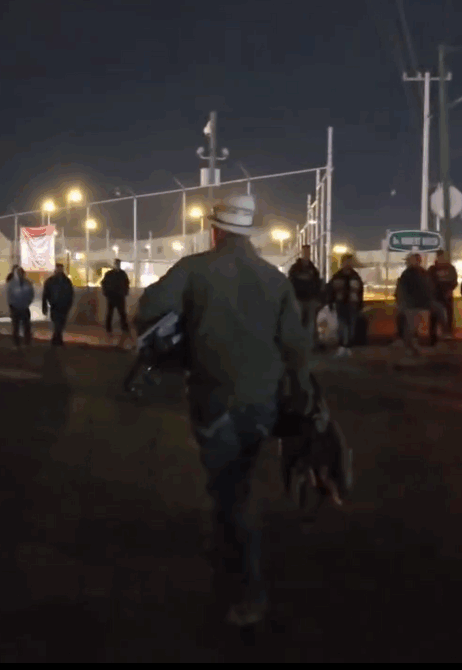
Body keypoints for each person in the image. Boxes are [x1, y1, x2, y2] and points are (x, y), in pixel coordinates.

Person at [135, 194, 312, 628]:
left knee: (231, 495)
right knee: (242, 484)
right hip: (265, 403)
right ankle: (229, 558)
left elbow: (149, 309)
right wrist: (303, 398)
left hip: (216, 402)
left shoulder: (195, 270)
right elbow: (297, 348)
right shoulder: (275, 280)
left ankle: (248, 592)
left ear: (214, 231)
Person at [394, 253, 436, 356]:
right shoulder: (422, 273)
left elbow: (401, 290)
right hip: (417, 305)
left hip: (414, 305)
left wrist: (401, 302)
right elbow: (429, 288)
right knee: (413, 328)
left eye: (409, 260)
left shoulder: (409, 274)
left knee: (412, 328)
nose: (407, 262)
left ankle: (412, 348)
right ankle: (413, 348)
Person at [325, 253, 364, 358]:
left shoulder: (355, 276)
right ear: (342, 263)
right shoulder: (337, 276)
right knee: (342, 326)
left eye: (350, 262)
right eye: (346, 262)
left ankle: (348, 347)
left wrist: (360, 304)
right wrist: (330, 302)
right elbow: (330, 290)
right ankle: (342, 346)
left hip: (352, 304)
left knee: (351, 327)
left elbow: (360, 291)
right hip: (341, 304)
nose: (348, 264)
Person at [287, 244, 323, 350]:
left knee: (311, 323)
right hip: (299, 299)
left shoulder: (313, 269)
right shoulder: (295, 268)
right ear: (301, 253)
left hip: (311, 300)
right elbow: (290, 282)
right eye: (305, 252)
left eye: (308, 252)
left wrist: (318, 298)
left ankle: (309, 344)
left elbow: (318, 284)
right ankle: (300, 343)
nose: (306, 254)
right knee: (300, 322)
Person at [426, 250, 458, 345]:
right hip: (435, 297)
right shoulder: (432, 269)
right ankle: (433, 338)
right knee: (434, 318)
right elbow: (428, 282)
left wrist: (449, 290)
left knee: (448, 316)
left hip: (446, 297)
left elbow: (454, 281)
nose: (441, 259)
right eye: (440, 257)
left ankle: (447, 336)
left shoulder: (450, 268)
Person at [42, 263, 75, 346]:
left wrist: (69, 303)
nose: (59, 270)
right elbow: (45, 294)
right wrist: (45, 306)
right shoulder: (51, 281)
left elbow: (70, 293)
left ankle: (57, 339)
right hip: (55, 305)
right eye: (58, 269)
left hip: (63, 305)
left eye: (61, 269)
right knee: (57, 323)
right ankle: (57, 339)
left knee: (61, 323)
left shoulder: (66, 281)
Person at [100, 258, 131, 343]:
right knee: (115, 313)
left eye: (118, 264)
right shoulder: (119, 274)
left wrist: (106, 293)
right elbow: (104, 283)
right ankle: (115, 328)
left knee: (119, 313)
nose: (117, 265)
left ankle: (116, 329)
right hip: (114, 296)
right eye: (117, 264)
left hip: (117, 296)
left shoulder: (113, 274)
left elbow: (126, 283)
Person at [6, 265, 35, 349]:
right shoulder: (12, 284)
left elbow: (31, 294)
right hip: (15, 307)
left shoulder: (27, 283)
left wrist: (28, 303)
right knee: (16, 327)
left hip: (24, 307)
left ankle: (27, 342)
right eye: (19, 273)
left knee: (26, 326)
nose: (20, 274)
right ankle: (17, 343)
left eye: (21, 273)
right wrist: (11, 305)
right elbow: (9, 294)